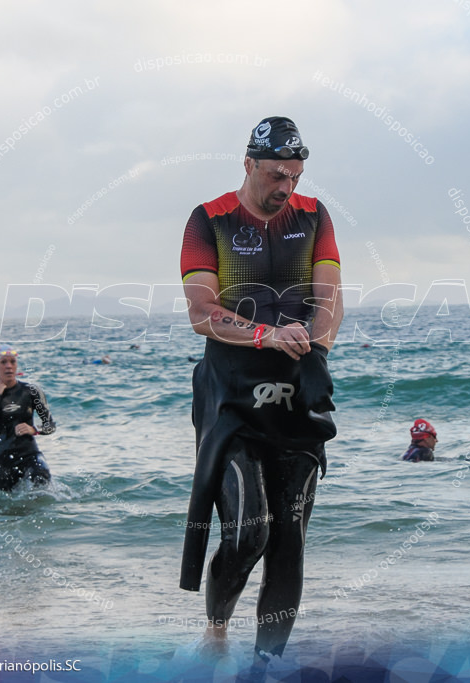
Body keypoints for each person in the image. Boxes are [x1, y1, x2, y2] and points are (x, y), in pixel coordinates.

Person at [178, 115, 343, 668]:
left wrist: (317, 347)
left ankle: (264, 667)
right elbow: (202, 313)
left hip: (296, 394)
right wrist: (267, 335)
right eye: (275, 175)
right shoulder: (208, 221)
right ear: (248, 164)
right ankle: (217, 627)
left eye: (293, 177)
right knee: (250, 532)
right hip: (232, 398)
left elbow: (329, 298)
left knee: (289, 539)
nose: (284, 188)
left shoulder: (314, 217)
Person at [0, 344, 56, 491]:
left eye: (13, 362)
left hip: (30, 455)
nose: (9, 366)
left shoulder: (31, 391)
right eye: (3, 362)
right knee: (5, 507)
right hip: (3, 460)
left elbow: (50, 425)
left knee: (41, 482)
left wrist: (33, 429)